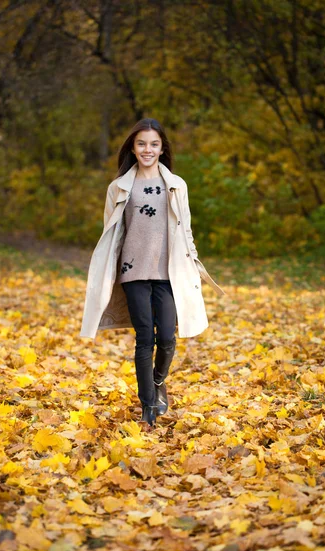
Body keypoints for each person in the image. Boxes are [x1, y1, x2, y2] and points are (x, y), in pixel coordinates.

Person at [80, 118, 226, 426]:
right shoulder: (119, 187)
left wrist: (195, 261)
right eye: (142, 144)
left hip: (168, 272)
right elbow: (111, 232)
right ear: (133, 148)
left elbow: (185, 228)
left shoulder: (176, 185)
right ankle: (147, 405)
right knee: (144, 337)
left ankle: (159, 382)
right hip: (132, 272)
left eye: (154, 144)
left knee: (168, 338)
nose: (148, 149)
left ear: (162, 148)